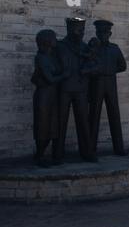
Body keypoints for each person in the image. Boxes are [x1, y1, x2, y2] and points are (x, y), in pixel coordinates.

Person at [55, 17, 97, 163]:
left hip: (80, 89)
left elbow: (94, 66)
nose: (81, 33)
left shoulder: (85, 48)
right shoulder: (59, 46)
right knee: (60, 122)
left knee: (83, 123)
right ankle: (57, 153)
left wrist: (87, 71)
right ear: (69, 29)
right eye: (79, 29)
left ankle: (87, 152)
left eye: (83, 30)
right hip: (64, 89)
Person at [88, 20, 127, 156]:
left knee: (114, 114)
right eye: (100, 32)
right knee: (94, 115)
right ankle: (90, 149)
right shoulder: (93, 48)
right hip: (97, 83)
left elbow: (123, 66)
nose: (102, 35)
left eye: (105, 33)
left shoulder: (114, 49)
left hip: (110, 82)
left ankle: (119, 148)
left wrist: (110, 69)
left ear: (109, 34)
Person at [31, 29, 68, 166]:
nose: (56, 40)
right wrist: (65, 75)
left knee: (52, 126)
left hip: (52, 95)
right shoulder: (40, 58)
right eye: (53, 38)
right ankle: (39, 156)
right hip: (44, 96)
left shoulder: (51, 57)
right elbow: (50, 79)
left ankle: (45, 155)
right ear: (47, 40)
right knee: (42, 126)